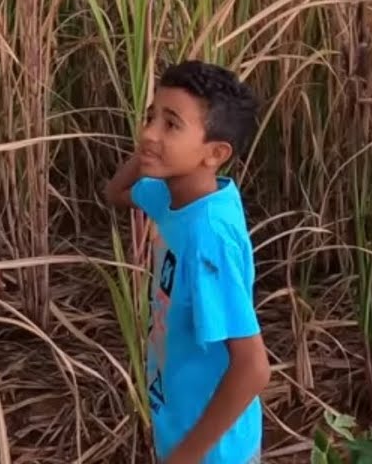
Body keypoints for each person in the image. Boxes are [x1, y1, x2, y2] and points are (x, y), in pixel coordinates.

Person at [104, 60, 271, 464]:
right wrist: (151, 151)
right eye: (150, 118)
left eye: (171, 124)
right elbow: (115, 191)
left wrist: (185, 458)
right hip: (182, 426)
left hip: (213, 453)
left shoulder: (208, 237)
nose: (147, 133)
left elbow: (253, 367)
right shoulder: (172, 195)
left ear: (215, 153)